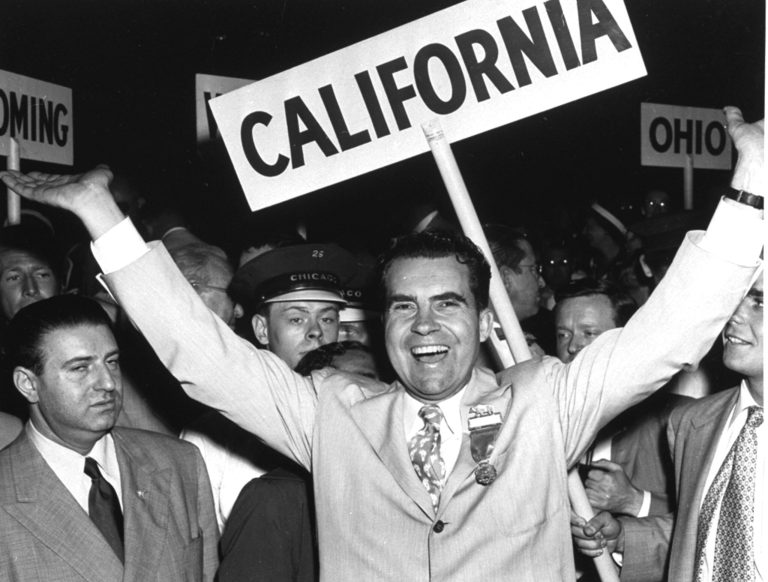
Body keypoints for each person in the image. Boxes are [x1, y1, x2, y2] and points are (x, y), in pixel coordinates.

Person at [1, 107, 762, 581]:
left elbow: (669, 333)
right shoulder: (333, 414)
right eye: (404, 307)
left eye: (447, 305)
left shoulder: (546, 398)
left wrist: (752, 183)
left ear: (482, 319)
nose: (425, 326)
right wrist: (104, 218)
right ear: (383, 320)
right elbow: (200, 355)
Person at [0, 295, 218, 582]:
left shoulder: (180, 462)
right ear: (28, 384)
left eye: (112, 362)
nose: (107, 383)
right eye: (80, 368)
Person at [572, 271, 764, 582]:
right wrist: (624, 537)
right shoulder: (693, 423)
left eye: (759, 302)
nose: (734, 314)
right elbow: (699, 533)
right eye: (736, 298)